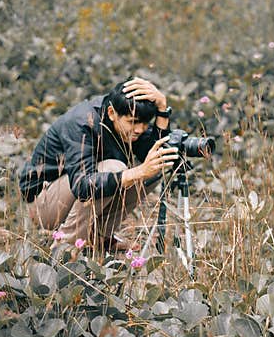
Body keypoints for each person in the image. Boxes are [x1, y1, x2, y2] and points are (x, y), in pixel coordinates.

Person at [17, 76, 179, 255]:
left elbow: (153, 153)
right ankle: (65, 247)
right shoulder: (82, 122)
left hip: (71, 198)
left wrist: (162, 109)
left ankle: (99, 237)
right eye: (133, 122)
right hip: (43, 204)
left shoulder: (125, 118)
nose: (139, 129)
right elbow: (83, 186)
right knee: (114, 168)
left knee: (155, 167)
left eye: (144, 123)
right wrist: (138, 171)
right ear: (111, 113)